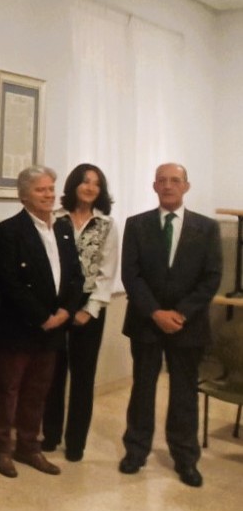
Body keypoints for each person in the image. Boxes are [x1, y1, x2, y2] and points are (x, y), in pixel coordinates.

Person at [119, 163, 222, 488]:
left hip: (187, 326)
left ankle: (186, 458)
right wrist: (155, 313)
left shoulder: (207, 228)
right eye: (162, 180)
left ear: (186, 186)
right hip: (145, 323)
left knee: (184, 394)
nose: (168, 185)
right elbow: (131, 275)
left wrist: (180, 313)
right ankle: (136, 450)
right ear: (154, 186)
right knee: (142, 389)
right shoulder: (136, 225)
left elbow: (212, 277)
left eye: (175, 180)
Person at [0, 166, 84, 478]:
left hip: (54, 328)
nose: (48, 195)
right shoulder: (9, 231)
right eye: (41, 189)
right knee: (7, 390)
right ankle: (1, 449)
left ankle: (29, 446)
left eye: (51, 188)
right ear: (23, 195)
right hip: (19, 327)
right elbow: (9, 282)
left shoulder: (63, 229)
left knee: (37, 391)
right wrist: (41, 317)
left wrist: (66, 311)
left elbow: (75, 277)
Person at [41, 163, 119, 462]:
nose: (89, 187)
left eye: (96, 183)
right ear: (74, 184)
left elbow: (107, 271)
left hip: (89, 304)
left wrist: (90, 309)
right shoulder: (55, 218)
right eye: (84, 181)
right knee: (53, 373)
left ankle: (76, 443)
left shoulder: (106, 224)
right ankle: (50, 435)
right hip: (57, 302)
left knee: (83, 378)